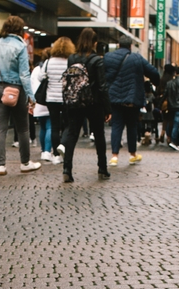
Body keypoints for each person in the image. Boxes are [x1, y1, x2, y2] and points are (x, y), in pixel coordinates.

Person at [0, 15, 41, 176]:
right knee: (22, 128)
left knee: (0, 129)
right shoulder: (21, 46)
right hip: (16, 90)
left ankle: (1, 166)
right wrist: (31, 96)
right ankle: (25, 163)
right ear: (20, 29)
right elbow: (24, 74)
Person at [57, 27, 111, 182]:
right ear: (94, 43)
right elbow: (102, 86)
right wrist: (107, 108)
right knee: (99, 134)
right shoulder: (97, 60)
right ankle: (102, 168)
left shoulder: (72, 59)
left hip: (75, 101)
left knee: (73, 134)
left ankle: (67, 169)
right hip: (94, 103)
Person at [104, 35, 160, 166]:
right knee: (132, 126)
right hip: (132, 98)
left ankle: (114, 156)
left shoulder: (108, 57)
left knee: (116, 125)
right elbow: (154, 73)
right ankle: (132, 154)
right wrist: (154, 84)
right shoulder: (137, 58)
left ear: (118, 45)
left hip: (114, 98)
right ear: (130, 46)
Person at [45, 37, 74, 165]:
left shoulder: (48, 62)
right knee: (68, 124)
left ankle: (56, 155)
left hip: (51, 98)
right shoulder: (70, 62)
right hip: (66, 98)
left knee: (54, 126)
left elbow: (41, 76)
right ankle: (62, 145)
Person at [31, 48, 52, 159]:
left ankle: (43, 149)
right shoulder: (51, 67)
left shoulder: (36, 70)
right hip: (49, 99)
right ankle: (47, 151)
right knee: (50, 126)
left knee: (43, 127)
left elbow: (31, 84)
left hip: (38, 101)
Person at [164, 66, 179, 151]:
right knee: (177, 124)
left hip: (171, 106)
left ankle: (175, 141)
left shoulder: (169, 83)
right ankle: (174, 141)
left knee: (172, 123)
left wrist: (160, 105)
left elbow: (165, 95)